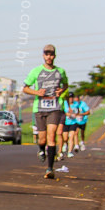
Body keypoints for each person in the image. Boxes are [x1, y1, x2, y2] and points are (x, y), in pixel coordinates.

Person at [23, 44, 68, 179]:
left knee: (51, 136)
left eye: (51, 54)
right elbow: (25, 88)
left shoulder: (61, 71)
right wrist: (37, 92)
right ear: (43, 55)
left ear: (54, 56)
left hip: (55, 108)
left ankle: (50, 168)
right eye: (46, 54)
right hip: (40, 108)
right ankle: (41, 149)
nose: (49, 57)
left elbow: (66, 85)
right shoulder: (36, 71)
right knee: (42, 138)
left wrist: (62, 90)